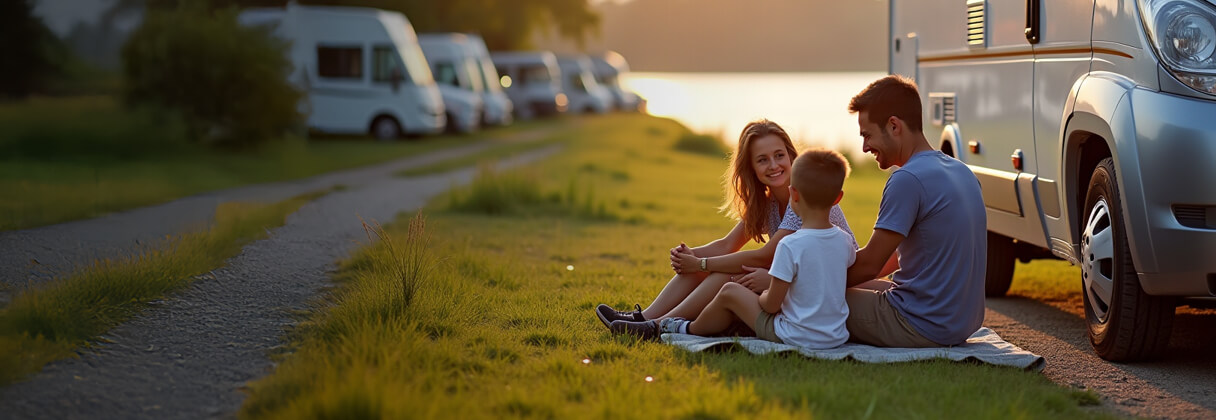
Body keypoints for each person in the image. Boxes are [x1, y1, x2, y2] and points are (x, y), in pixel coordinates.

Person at [594, 120, 858, 329]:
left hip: (825, 283)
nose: (774, 165)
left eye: (779, 155)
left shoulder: (801, 198)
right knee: (701, 269)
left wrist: (702, 263)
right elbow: (727, 244)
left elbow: (765, 255)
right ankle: (643, 318)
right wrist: (690, 256)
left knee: (724, 273)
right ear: (751, 168)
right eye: (762, 159)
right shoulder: (766, 204)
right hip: (790, 279)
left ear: (791, 157)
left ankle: (657, 326)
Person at [843, 75, 987, 347]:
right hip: (961, 323)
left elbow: (870, 264)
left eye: (867, 135)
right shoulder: (962, 171)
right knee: (840, 286)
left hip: (920, 323)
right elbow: (892, 260)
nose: (864, 147)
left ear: (894, 125)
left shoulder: (907, 179)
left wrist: (791, 280)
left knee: (809, 298)